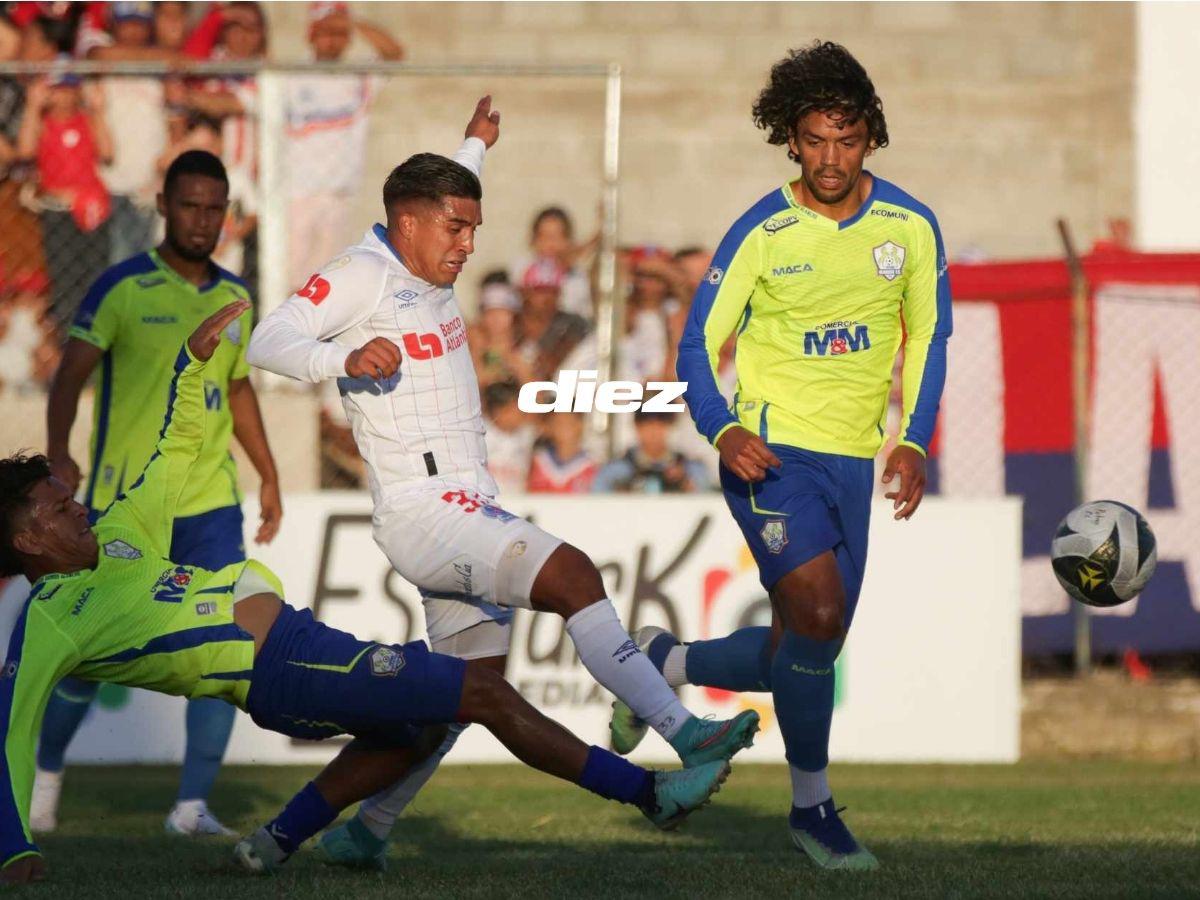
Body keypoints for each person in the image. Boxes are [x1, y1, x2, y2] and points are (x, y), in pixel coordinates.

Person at [0, 303, 733, 885]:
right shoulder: (51, 621)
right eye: (58, 509)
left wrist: (192, 369)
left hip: (297, 641)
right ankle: (646, 795)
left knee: (413, 732)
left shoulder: (122, 533)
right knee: (480, 692)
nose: (78, 507)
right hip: (277, 670)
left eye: (71, 496)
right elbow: (9, 736)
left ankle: (275, 842)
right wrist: (12, 848)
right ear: (27, 542)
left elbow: (174, 449)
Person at [246, 96, 759, 869]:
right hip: (425, 512)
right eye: (456, 227)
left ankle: (345, 832)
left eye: (474, 228)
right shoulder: (361, 275)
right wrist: (341, 361)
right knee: (574, 575)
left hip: (462, 505)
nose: (468, 245)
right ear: (409, 222)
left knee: (451, 708)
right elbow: (268, 337)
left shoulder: (421, 251)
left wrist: (474, 146)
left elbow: (447, 192)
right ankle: (685, 733)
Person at [609, 42, 952, 870]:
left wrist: (912, 440)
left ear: (870, 137)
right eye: (815, 139)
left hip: (853, 461)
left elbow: (931, 338)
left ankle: (662, 661)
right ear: (788, 139)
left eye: (848, 138)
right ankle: (814, 811)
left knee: (808, 647)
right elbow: (697, 343)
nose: (830, 157)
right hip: (769, 456)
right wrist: (722, 427)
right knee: (821, 617)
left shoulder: (909, 227)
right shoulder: (762, 232)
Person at [31, 149, 282, 838]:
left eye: (215, 208)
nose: (203, 220)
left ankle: (192, 805)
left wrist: (268, 473)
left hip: (211, 502)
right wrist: (59, 453)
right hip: (127, 504)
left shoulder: (237, 298)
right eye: (191, 205)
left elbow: (236, 389)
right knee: (91, 654)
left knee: (229, 642)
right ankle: (46, 778)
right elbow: (69, 375)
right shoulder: (120, 287)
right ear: (165, 207)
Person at [285, 0, 402, 290]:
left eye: (339, 33)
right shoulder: (289, 76)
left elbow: (394, 53)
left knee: (326, 284)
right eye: (325, 31)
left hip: (338, 195)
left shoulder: (358, 76)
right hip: (294, 195)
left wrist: (350, 22)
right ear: (311, 34)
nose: (331, 39)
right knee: (287, 283)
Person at [15, 66, 113, 326]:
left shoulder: (86, 120)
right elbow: (25, 151)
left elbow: (107, 152)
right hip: (59, 211)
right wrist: (32, 107)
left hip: (91, 209)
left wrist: (98, 111)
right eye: (58, 90)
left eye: (70, 89)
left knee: (94, 273)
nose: (65, 96)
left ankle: (96, 330)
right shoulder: (44, 125)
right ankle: (68, 334)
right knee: (64, 277)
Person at [527, 411, 598, 494]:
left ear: (580, 425)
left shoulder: (591, 465)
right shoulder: (539, 461)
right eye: (557, 422)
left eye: (569, 422)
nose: (563, 427)